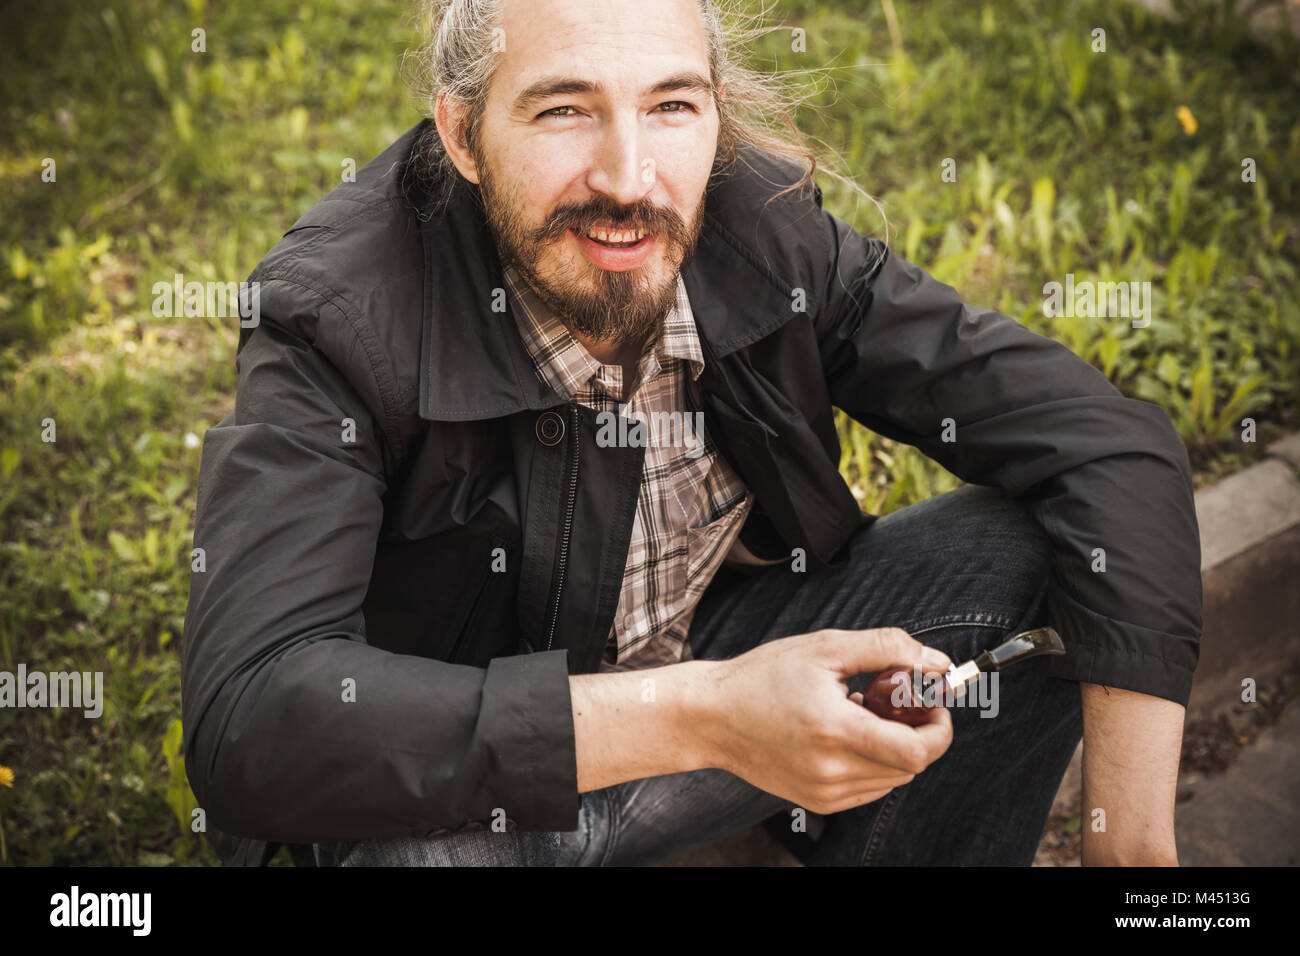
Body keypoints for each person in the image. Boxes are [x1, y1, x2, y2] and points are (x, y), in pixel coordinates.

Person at [180, 0, 1201, 867]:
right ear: (460, 133)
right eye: (564, 109)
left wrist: (1129, 849)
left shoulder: (763, 227)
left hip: (718, 692)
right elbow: (254, 721)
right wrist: (708, 712)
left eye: (672, 105)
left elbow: (1108, 447)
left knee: (1024, 549)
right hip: (468, 795)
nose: (629, 178)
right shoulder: (335, 314)